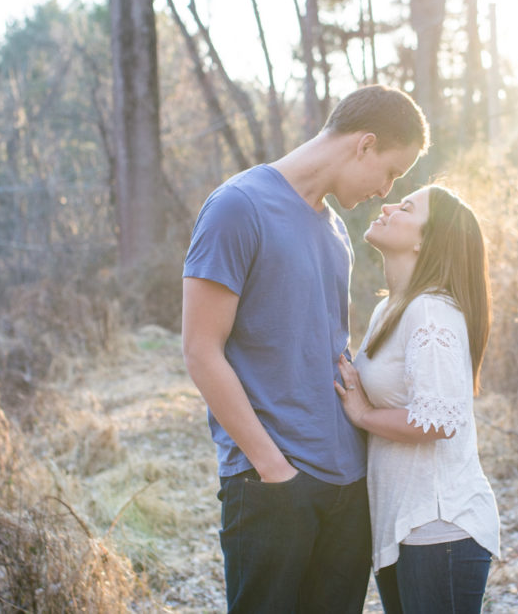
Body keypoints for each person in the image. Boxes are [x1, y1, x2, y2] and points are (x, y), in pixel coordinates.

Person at [181, 84, 429, 614]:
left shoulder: (336, 230)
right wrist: (273, 469)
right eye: (390, 172)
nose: (387, 191)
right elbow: (202, 351)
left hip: (347, 482)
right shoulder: (237, 207)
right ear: (364, 145)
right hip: (273, 483)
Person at [334, 185, 501, 614]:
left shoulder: (431, 312)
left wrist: (364, 414)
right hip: (403, 527)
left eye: (406, 206)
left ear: (424, 239)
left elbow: (439, 422)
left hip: (440, 531)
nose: (387, 206)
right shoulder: (391, 308)